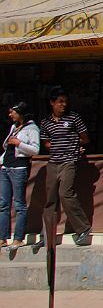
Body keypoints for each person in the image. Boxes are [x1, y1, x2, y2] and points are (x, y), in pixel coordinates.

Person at [39, 90, 91, 246]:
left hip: (69, 162)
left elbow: (85, 138)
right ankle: (46, 235)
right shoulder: (45, 122)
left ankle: (83, 228)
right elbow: (46, 143)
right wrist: (55, 146)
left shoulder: (73, 118)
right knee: (50, 199)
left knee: (65, 194)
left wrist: (74, 146)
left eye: (65, 101)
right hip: (53, 162)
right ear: (52, 103)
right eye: (60, 101)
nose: (63, 105)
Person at [0, 102, 39, 248]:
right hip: (6, 167)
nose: (10, 115)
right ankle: (3, 237)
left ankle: (18, 238)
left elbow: (35, 150)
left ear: (21, 112)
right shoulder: (14, 127)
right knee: (3, 204)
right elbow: (7, 147)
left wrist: (19, 143)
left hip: (19, 168)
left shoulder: (32, 128)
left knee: (19, 204)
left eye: (13, 112)